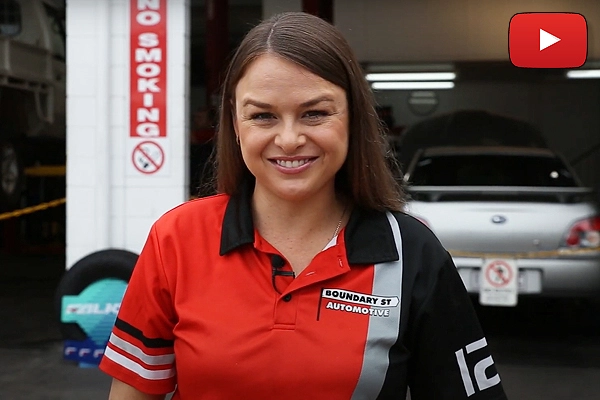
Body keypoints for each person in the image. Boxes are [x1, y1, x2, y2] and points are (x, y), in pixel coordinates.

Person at [99, 11, 508, 400]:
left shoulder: (411, 253)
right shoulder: (177, 238)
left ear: (353, 118)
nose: (290, 139)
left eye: (314, 113)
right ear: (235, 124)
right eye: (263, 116)